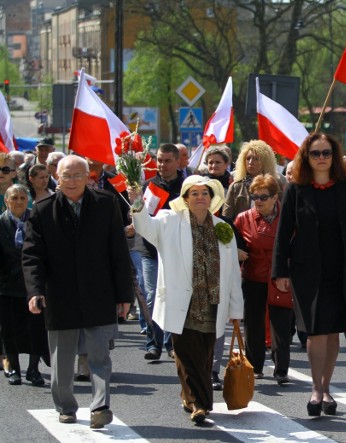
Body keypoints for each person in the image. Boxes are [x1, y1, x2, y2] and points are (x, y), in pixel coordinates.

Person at [22, 155, 133, 428]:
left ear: (88, 177)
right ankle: (66, 406)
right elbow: (32, 256)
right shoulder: (42, 210)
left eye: (77, 175)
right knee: (62, 358)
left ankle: (100, 406)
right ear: (56, 179)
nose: (71, 181)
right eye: (65, 176)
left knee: (99, 356)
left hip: (99, 292)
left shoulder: (106, 205)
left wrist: (124, 295)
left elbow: (118, 252)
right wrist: (35, 291)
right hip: (59, 295)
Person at [272, 132, 346, 417]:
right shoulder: (296, 188)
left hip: (343, 268)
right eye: (315, 153)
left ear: (334, 155)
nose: (321, 158)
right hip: (306, 271)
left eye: (326, 153)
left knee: (332, 330)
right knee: (315, 329)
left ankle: (326, 387)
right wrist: (280, 270)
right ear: (306, 157)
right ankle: (316, 389)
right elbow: (283, 232)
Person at [130, 175, 243, 423]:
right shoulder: (169, 220)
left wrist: (236, 310)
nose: (200, 197)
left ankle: (188, 395)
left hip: (213, 303)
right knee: (186, 353)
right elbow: (144, 227)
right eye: (194, 193)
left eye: (205, 193)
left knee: (203, 355)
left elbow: (233, 270)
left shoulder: (222, 227)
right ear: (185, 198)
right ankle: (199, 403)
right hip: (182, 302)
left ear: (212, 198)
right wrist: (137, 202)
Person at [234, 174, 293, 384]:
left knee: (282, 325)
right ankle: (255, 366)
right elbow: (235, 244)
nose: (258, 200)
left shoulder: (288, 216)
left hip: (280, 278)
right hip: (253, 277)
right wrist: (238, 252)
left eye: (264, 196)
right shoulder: (243, 219)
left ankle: (281, 370)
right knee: (253, 324)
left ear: (275, 196)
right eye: (255, 196)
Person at [0, 184, 49, 386]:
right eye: (14, 198)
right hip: (6, 285)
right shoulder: (1, 223)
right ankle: (13, 367)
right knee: (9, 328)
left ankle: (33, 369)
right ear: (6, 201)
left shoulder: (36, 220)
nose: (19, 202)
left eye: (22, 197)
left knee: (35, 327)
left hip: (33, 285)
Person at [140, 143, 183, 361]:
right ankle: (152, 343)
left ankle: (169, 342)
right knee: (151, 297)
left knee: (171, 296)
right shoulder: (149, 185)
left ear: (177, 162)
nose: (162, 165)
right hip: (151, 251)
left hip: (176, 252)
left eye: (167, 160)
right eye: (159, 160)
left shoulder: (186, 186)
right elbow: (142, 215)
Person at [222, 140, 287, 222]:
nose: (250, 162)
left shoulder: (276, 184)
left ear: (265, 162)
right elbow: (226, 218)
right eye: (248, 158)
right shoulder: (236, 187)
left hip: (271, 232)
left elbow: (285, 213)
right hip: (242, 233)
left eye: (256, 159)